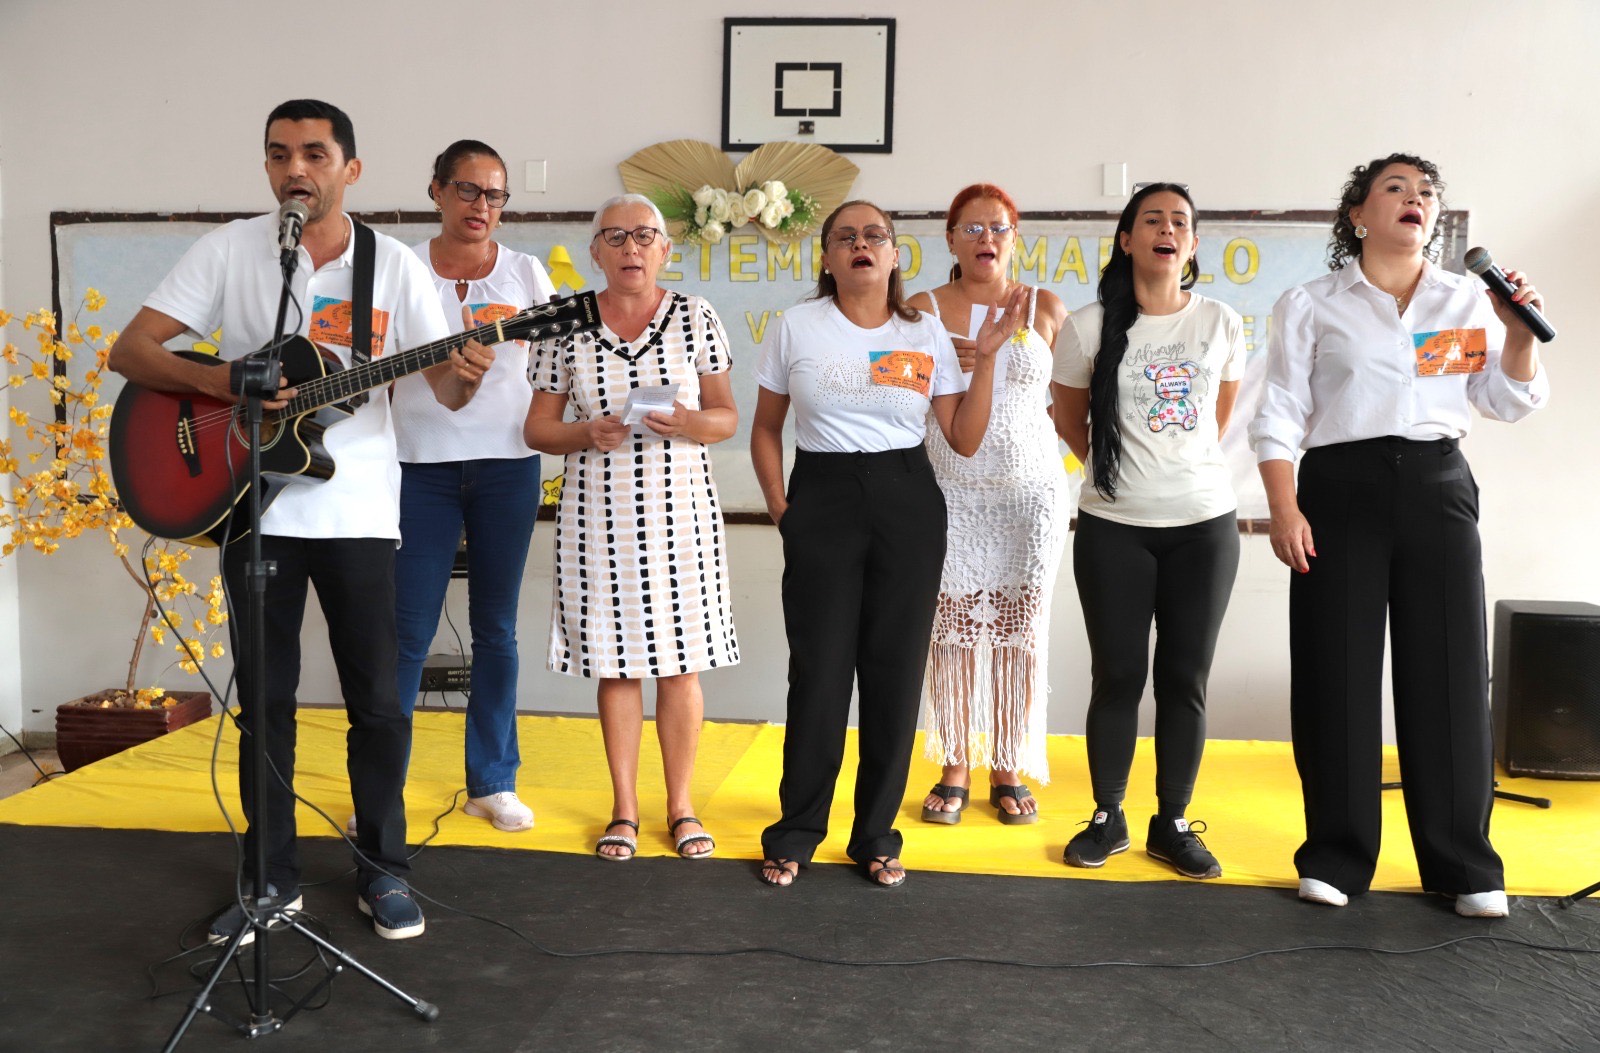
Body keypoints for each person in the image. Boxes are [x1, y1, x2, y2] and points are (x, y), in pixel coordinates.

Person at [109, 99, 490, 942]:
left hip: (360, 514)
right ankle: (270, 878)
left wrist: (466, 372)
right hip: (253, 510)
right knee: (266, 702)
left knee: (379, 704)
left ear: (350, 169)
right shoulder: (231, 249)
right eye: (280, 154)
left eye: (315, 154)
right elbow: (130, 351)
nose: (296, 169)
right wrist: (220, 383)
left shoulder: (393, 266)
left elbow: (446, 389)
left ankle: (384, 869)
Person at [1248, 154, 1549, 917]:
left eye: (1427, 192)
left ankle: (1463, 864)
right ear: (1359, 214)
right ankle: (1336, 855)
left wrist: (1518, 335)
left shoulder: (1466, 300)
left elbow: (1505, 399)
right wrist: (1284, 507)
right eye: (1396, 188)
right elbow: (1278, 413)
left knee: (1450, 672)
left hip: (1437, 486)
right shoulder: (1312, 303)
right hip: (1339, 489)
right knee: (1336, 671)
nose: (1416, 199)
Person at [752, 200, 1025, 887]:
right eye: (845, 237)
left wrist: (988, 357)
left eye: (875, 235)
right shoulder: (796, 326)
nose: (861, 245)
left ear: (896, 254)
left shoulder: (923, 329)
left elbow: (963, 438)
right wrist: (783, 508)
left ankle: (875, 833)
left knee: (894, 674)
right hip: (822, 496)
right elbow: (765, 428)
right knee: (819, 673)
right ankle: (796, 830)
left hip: (907, 498)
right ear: (827, 257)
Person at [525, 193, 739, 862]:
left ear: (665, 249)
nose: (631, 248)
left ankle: (682, 806)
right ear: (595, 251)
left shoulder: (695, 315)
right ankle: (624, 809)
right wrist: (585, 432)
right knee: (615, 664)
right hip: (598, 514)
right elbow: (537, 430)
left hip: (681, 515)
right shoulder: (564, 325)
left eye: (645, 236)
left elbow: (727, 417)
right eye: (615, 236)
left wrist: (689, 422)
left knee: (681, 664)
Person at [1051, 182, 1244, 879]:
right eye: (1152, 220)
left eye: (1180, 222)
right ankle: (1108, 815)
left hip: (1204, 526)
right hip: (1114, 528)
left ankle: (1174, 822)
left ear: (1192, 245)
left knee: (1185, 678)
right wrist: (1123, 475)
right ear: (1127, 239)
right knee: (1119, 675)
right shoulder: (1087, 326)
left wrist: (1174, 471)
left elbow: (1217, 418)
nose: (1167, 230)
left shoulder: (1220, 321)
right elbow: (1069, 418)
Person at [389, 139, 555, 833]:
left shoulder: (526, 273)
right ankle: (381, 785)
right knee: (405, 632)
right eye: (467, 190)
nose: (481, 205)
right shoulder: (400, 268)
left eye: (494, 195)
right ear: (436, 190)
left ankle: (492, 781)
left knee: (496, 629)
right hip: (415, 466)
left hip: (508, 466)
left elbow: (556, 364)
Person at [909, 184, 1069, 826]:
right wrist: (940, 367)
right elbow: (897, 396)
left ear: (1014, 237)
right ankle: (954, 764)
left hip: (1030, 495)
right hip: (949, 489)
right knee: (950, 627)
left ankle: (1008, 762)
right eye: (972, 228)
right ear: (950, 239)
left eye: (998, 228)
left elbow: (1068, 402)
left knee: (1019, 629)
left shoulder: (1045, 305)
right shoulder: (919, 310)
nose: (986, 239)